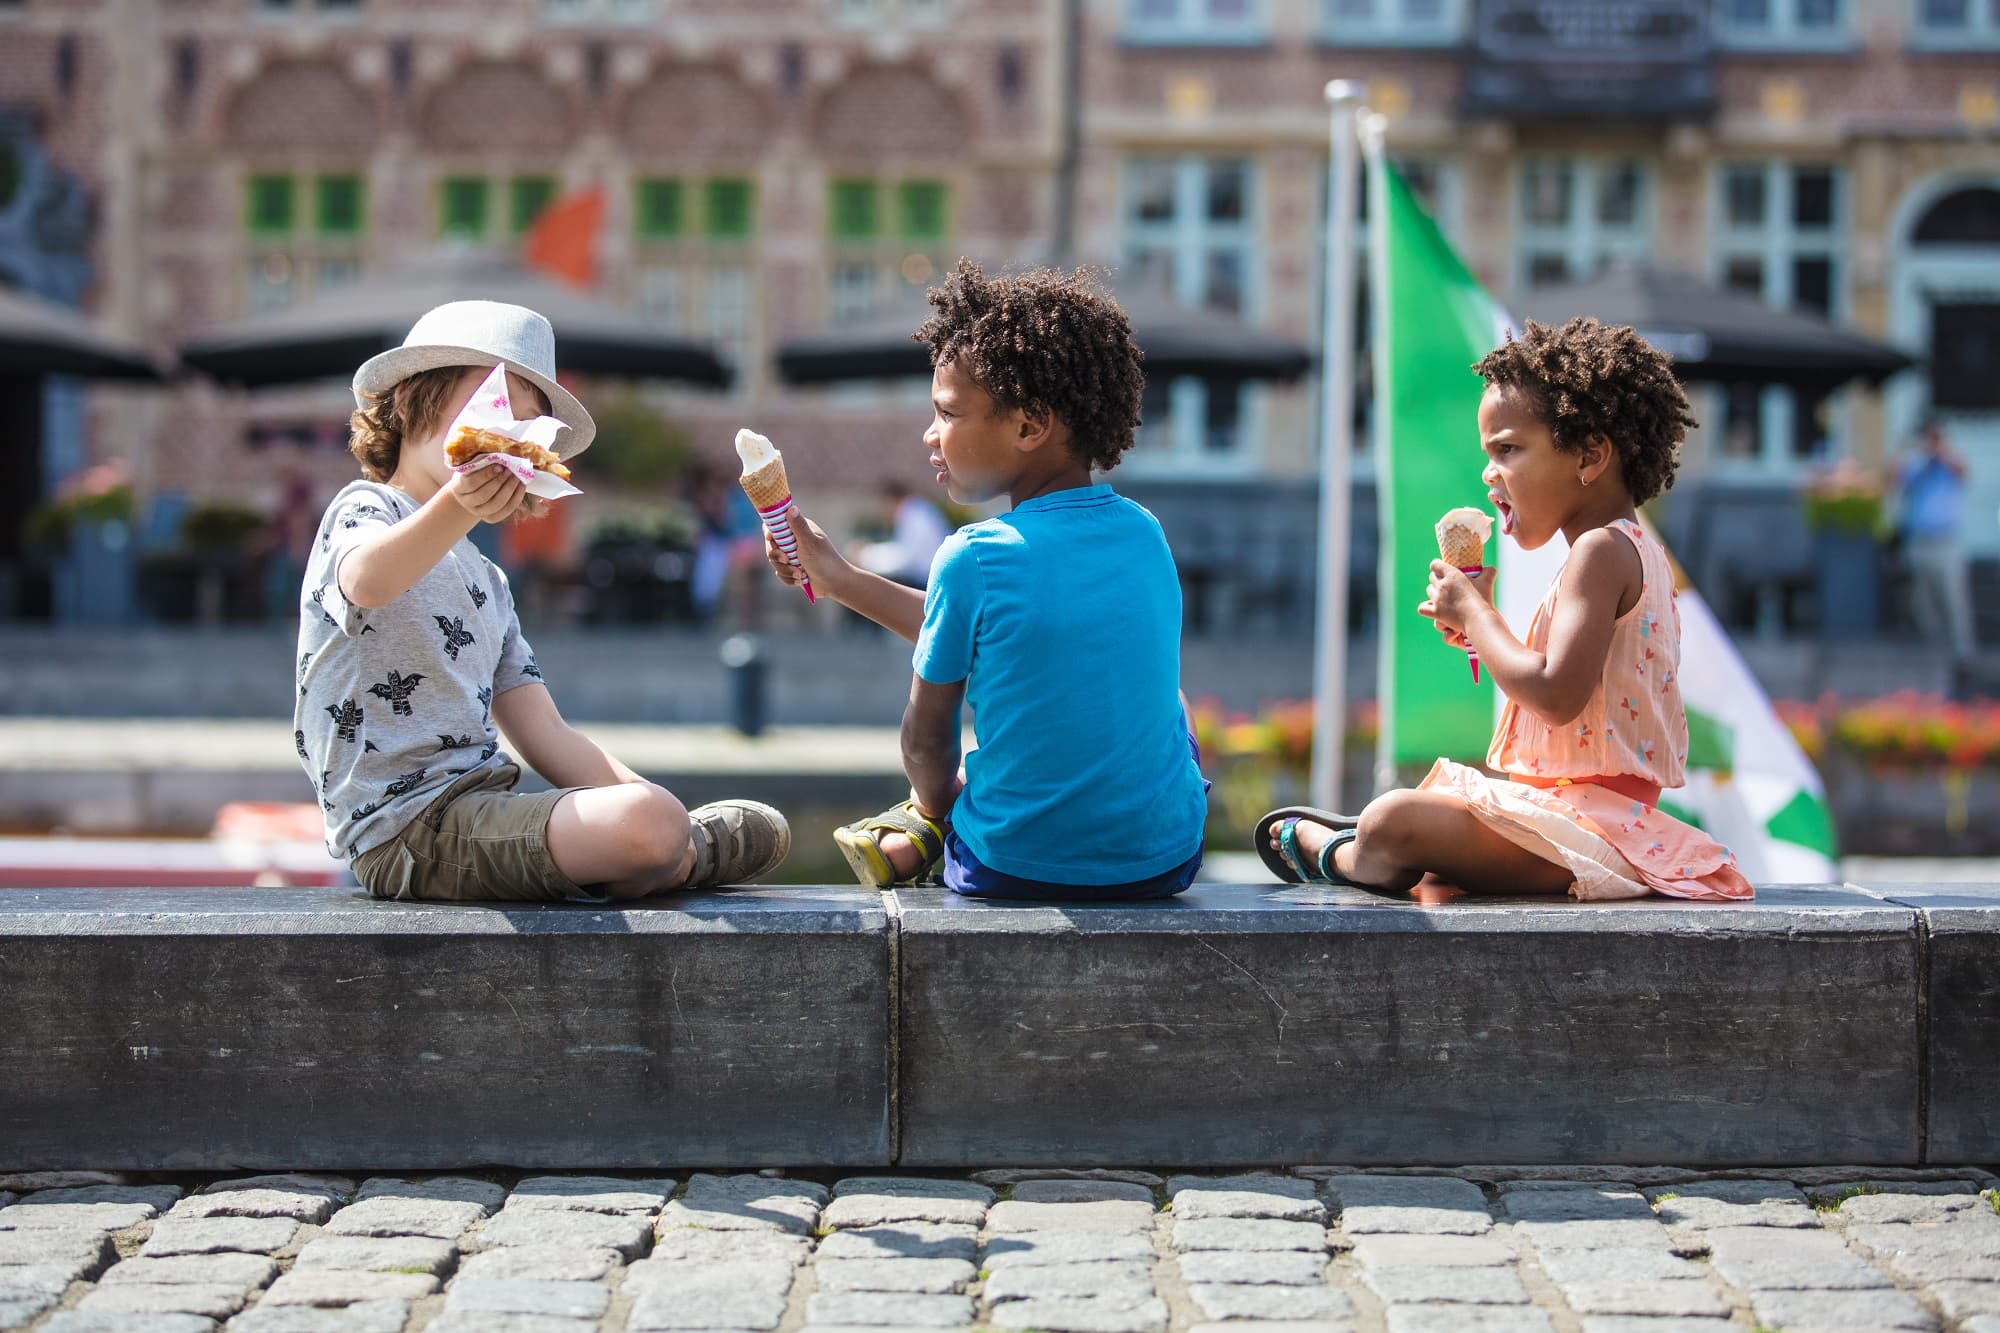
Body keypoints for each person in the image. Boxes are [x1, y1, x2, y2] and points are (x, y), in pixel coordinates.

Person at [296, 299, 788, 902]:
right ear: (408, 399)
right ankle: (673, 854)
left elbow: (545, 734)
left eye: (526, 424)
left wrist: (660, 812)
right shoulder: (363, 510)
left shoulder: (491, 582)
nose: (507, 431)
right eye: (492, 404)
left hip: (481, 808)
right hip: (399, 828)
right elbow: (368, 581)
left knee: (653, 817)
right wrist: (459, 502)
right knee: (650, 825)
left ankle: (672, 851)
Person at [1255, 318, 1752, 902]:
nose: (1489, 473)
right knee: (1427, 834)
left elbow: (1555, 695)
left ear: (1589, 454)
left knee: (1394, 818)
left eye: (1508, 450)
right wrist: (1480, 627)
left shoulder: (1600, 550)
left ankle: (1346, 856)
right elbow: (1580, 686)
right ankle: (1384, 847)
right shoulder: (1622, 549)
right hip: (1558, 818)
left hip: (1591, 829)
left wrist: (1474, 616)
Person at [762, 259, 1209, 899]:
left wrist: (934, 806)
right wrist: (838, 578)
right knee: (1175, 703)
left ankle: (920, 833)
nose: (930, 435)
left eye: (948, 413)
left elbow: (925, 737)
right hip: (1164, 863)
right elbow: (1001, 634)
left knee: (949, 791)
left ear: (1030, 425)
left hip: (1011, 864)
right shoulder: (1145, 533)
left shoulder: (971, 554)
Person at [1896, 417, 1975, 670]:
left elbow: (1963, 471)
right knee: (1923, 601)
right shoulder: (1916, 464)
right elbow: (1894, 481)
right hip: (1919, 540)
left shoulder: (1949, 462)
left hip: (1945, 541)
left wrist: (1941, 451)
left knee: (1952, 600)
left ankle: (1963, 654)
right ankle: (1935, 652)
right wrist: (1906, 450)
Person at [855, 479, 952, 588]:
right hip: (929, 579)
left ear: (891, 500)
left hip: (928, 583)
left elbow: (906, 560)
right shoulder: (916, 510)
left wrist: (866, 556)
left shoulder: (913, 516)